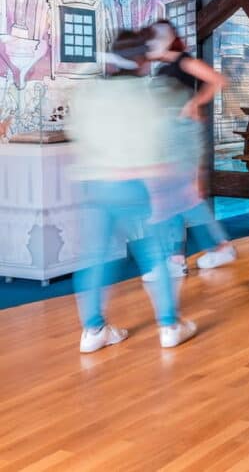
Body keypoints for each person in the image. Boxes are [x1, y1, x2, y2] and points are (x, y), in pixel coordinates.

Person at [68, 29, 197, 352]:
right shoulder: (152, 94)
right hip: (140, 184)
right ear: (142, 60)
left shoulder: (90, 94)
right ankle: (169, 326)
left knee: (95, 259)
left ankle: (93, 330)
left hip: (97, 184)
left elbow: (77, 134)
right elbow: (165, 140)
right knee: (155, 253)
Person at [145, 21, 236, 273]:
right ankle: (176, 258)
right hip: (167, 136)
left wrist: (194, 103)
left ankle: (221, 246)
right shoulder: (163, 68)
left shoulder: (183, 61)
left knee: (185, 196)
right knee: (171, 198)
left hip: (182, 136)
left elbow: (218, 80)